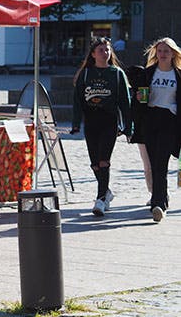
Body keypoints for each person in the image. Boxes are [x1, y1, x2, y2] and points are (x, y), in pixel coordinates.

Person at [71, 36, 132, 217]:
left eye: (107, 50)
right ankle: (106, 191)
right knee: (95, 164)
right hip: (91, 121)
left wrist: (129, 127)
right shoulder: (86, 73)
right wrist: (75, 123)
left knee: (104, 160)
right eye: (100, 50)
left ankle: (100, 200)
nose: (104, 53)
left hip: (109, 121)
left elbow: (125, 102)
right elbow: (77, 101)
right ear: (93, 54)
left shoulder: (117, 73)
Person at [137, 37, 181, 222]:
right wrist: (138, 97)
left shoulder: (178, 75)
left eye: (166, 51)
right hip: (151, 119)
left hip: (169, 120)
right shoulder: (148, 73)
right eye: (160, 51)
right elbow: (139, 98)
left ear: (173, 54)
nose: (163, 54)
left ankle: (158, 204)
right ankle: (161, 199)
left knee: (161, 163)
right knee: (154, 163)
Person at [126, 64, 153, 204]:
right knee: (148, 165)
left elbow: (142, 107)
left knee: (150, 165)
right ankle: (154, 193)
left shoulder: (142, 89)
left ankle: (157, 193)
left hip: (148, 130)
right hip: (141, 131)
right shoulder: (134, 90)